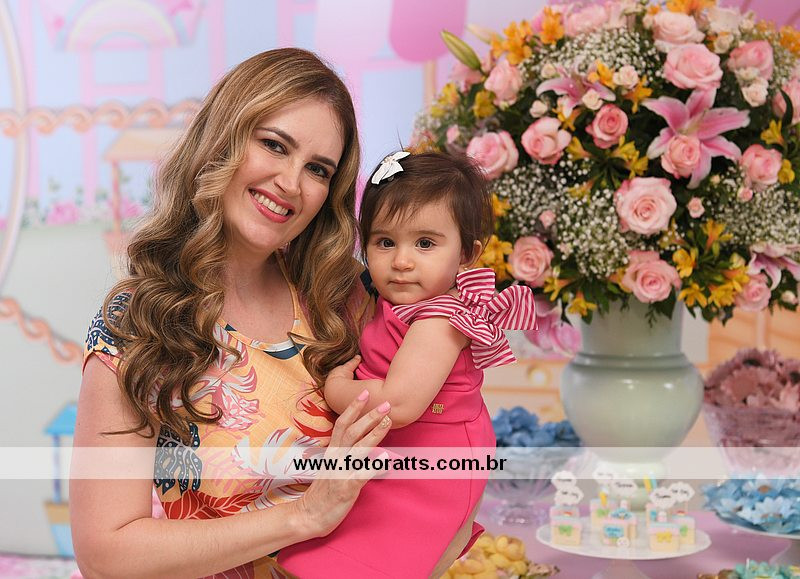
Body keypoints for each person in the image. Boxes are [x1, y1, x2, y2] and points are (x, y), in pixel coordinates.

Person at [71, 48, 394, 579]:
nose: (291, 184)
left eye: (317, 169)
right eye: (274, 145)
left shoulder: (343, 300)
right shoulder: (137, 323)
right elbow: (106, 553)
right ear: (223, 138)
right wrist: (304, 516)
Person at [278, 152, 537, 577]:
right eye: (385, 242)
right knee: (352, 537)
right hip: (405, 445)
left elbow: (396, 404)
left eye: (425, 243)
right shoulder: (399, 300)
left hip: (435, 455)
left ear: (467, 254)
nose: (401, 261)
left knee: (389, 548)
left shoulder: (440, 318)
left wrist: (336, 388)